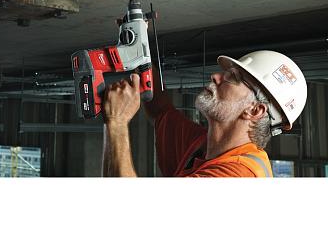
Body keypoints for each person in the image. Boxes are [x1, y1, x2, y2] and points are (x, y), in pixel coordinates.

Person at [101, 50, 307, 177]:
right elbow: (161, 111)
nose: (216, 76)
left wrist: (117, 120)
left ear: (254, 110)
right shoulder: (204, 147)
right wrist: (139, 52)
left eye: (232, 77)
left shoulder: (238, 176)